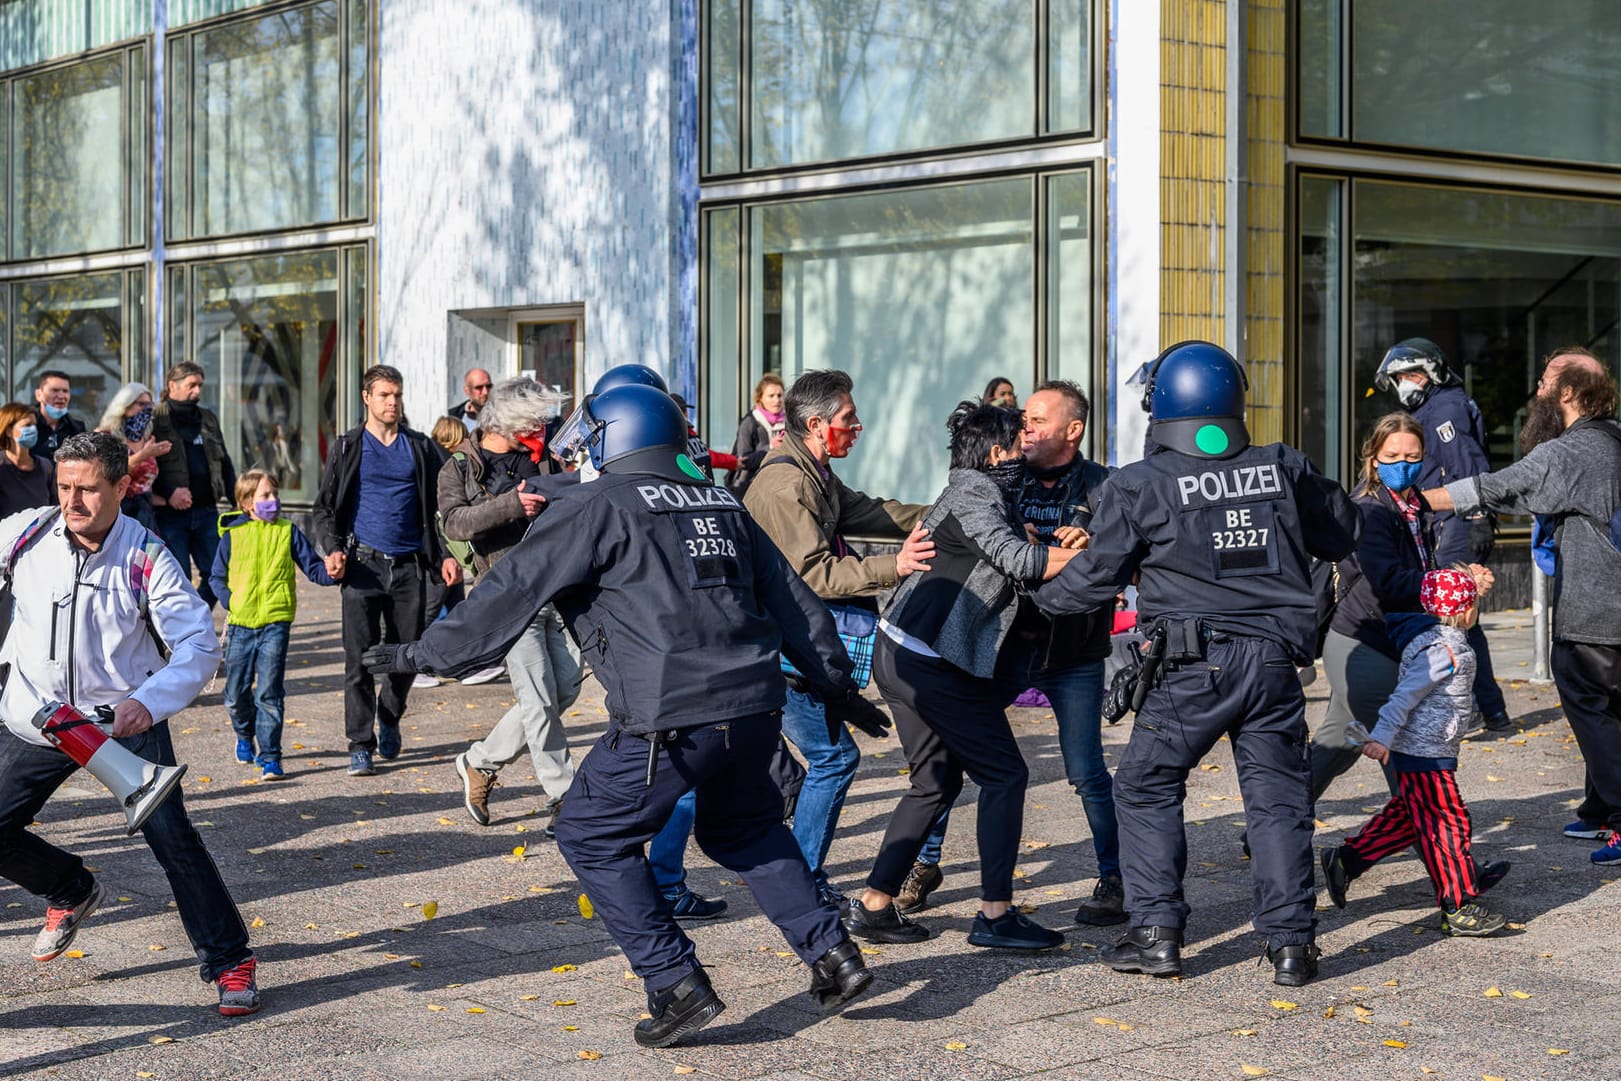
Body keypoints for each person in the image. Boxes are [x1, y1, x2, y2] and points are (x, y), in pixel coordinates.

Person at [363, 383, 877, 1047]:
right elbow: (795, 602)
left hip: (668, 715)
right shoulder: (718, 500)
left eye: (593, 435)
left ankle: (675, 983)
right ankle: (833, 954)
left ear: (616, 436)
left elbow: (506, 599)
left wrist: (417, 652)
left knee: (587, 831)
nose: (584, 448)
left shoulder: (599, 505)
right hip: (752, 707)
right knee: (745, 830)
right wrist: (837, 684)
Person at [1029, 341, 1361, 987]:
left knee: (1145, 786)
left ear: (1160, 403)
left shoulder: (1137, 483)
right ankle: (1291, 945)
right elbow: (1339, 532)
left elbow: (1094, 580)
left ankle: (1155, 934)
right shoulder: (1282, 466)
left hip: (1189, 667)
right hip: (1272, 666)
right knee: (1276, 803)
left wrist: (1030, 603)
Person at [0, 431, 257, 1015]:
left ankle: (229, 959)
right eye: (63, 487)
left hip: (119, 724)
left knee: (176, 844)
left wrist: (148, 702)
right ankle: (70, 889)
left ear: (121, 487)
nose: (72, 502)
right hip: (33, 717)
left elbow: (197, 642)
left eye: (88, 489)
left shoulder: (147, 555)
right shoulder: (28, 533)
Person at [845, 401, 1078, 951]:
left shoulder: (972, 490)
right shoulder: (976, 492)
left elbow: (1003, 551)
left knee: (936, 783)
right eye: (1018, 445)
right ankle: (995, 916)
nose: (1025, 452)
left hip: (902, 651)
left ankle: (874, 905)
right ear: (996, 453)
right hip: (928, 663)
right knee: (1005, 776)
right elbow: (1018, 560)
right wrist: (1108, 561)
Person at [894, 381, 1124, 924]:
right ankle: (922, 865)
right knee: (946, 759)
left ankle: (1115, 878)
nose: (1027, 430)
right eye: (1024, 421)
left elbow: (1126, 556)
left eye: (1039, 421)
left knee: (1088, 772)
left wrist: (1094, 545)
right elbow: (952, 524)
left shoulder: (1105, 485)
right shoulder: (1001, 476)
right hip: (997, 648)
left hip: (1074, 653)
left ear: (1074, 430)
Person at [744, 369, 935, 906]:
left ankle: (795, 880)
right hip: (783, 653)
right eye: (849, 419)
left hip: (803, 649)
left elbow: (877, 513)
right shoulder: (787, 486)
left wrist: (952, 517)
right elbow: (816, 575)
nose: (858, 426)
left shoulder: (816, 473)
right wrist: (895, 566)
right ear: (815, 424)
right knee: (833, 760)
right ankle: (798, 886)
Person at [1424, 348, 1621, 864]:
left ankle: (1620, 817)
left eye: (1546, 383)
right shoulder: (1615, 439)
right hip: (1612, 607)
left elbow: (1497, 487)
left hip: (1595, 611)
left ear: (1570, 395)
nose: (1538, 391)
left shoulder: (1569, 452)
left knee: (1592, 707)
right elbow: (1525, 497)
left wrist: (1416, 500)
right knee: (1613, 708)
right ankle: (1599, 808)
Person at [1320, 568, 1512, 936]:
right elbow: (1404, 695)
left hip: (1427, 748)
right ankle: (1458, 905)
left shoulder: (1437, 640)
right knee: (1447, 820)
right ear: (1464, 610)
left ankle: (1347, 860)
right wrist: (1381, 737)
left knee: (1411, 815)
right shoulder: (1442, 648)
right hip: (1424, 753)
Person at [443, 379, 584, 833]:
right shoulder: (462, 465)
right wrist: (511, 505)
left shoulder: (540, 458)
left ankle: (480, 761)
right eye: (536, 419)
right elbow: (455, 522)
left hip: (556, 588)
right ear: (509, 420)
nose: (543, 427)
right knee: (538, 697)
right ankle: (564, 795)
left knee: (563, 688)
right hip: (505, 595)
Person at [312, 364, 462, 778]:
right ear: (367, 398)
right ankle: (360, 743)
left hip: (411, 566)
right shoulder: (348, 447)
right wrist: (334, 549)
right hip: (363, 567)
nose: (392, 402)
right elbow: (324, 508)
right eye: (384, 395)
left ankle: (390, 715)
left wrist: (447, 554)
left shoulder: (419, 447)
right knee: (358, 661)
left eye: (396, 395)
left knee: (406, 655)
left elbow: (444, 503)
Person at [1375, 338, 1509, 731]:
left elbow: (1467, 466)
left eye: (1406, 375)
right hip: (1451, 522)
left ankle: (1468, 709)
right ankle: (1490, 708)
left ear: (1428, 372)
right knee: (1463, 618)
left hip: (1459, 522)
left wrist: (1477, 516)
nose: (1402, 384)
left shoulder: (1444, 408)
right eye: (1398, 378)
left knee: (1450, 615)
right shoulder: (1439, 406)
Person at [209, 470, 336, 780]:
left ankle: (270, 757)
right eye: (266, 496)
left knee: (269, 691)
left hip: (276, 622)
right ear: (247, 502)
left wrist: (333, 571)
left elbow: (313, 567)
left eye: (275, 495)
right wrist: (231, 600)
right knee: (236, 693)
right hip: (241, 623)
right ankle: (243, 734)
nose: (273, 501)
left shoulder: (287, 531)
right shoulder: (232, 536)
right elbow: (215, 577)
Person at [150, 362, 237, 608]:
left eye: (200, 385)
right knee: (179, 579)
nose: (197, 391)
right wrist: (168, 493)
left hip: (207, 511)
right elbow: (144, 465)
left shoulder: (207, 418)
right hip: (170, 514)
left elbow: (225, 461)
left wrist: (239, 500)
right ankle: (183, 634)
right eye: (191, 385)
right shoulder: (156, 418)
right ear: (172, 386)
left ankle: (194, 621)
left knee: (217, 574)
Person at [95, 383, 171, 531]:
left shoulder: (147, 438)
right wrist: (143, 455)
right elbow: (108, 474)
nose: (146, 409)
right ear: (124, 406)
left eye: (150, 405)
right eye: (141, 404)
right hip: (116, 513)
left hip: (145, 514)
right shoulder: (105, 436)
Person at [726, 373, 786, 496]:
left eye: (780, 395)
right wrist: (770, 448)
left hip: (779, 486)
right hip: (749, 488)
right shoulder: (750, 422)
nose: (777, 400)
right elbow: (744, 461)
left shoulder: (789, 422)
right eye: (771, 396)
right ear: (760, 398)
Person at [0, 402, 55, 519]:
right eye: (27, 425)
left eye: (34, 425)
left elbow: (54, 507)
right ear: (9, 430)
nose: (33, 429)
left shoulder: (45, 467)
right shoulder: (2, 466)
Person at [30, 370, 84, 461]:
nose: (61, 396)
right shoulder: (25, 427)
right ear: (39, 394)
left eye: (65, 391)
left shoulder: (77, 429)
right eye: (55, 390)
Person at [449, 368, 494, 433]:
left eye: (489, 386)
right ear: (467, 390)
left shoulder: (504, 415)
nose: (485, 392)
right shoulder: (453, 417)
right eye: (479, 387)